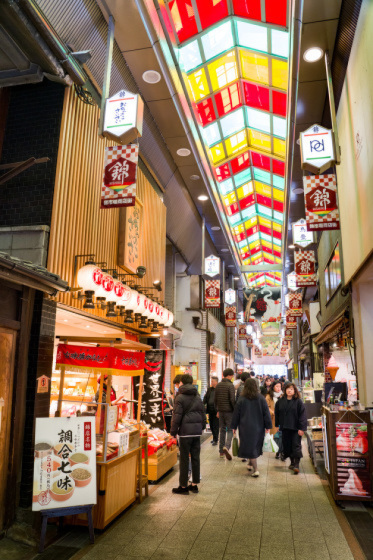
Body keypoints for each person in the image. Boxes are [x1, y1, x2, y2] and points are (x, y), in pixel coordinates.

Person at [170, 373, 206, 494]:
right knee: (196, 458)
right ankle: (194, 485)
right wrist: (202, 426)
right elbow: (202, 412)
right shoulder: (197, 396)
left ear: (181, 383)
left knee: (184, 459)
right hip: (196, 432)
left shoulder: (179, 397)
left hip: (185, 433)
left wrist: (173, 432)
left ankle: (183, 487)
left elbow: (176, 416)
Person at [231, 378, 272, 477]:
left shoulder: (242, 398)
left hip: (245, 427)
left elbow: (236, 414)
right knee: (254, 446)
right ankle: (251, 464)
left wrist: (234, 426)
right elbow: (266, 413)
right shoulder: (261, 398)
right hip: (258, 427)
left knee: (250, 446)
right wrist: (268, 426)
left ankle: (256, 469)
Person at [275, 383, 307, 474]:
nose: (289, 390)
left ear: (295, 391)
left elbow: (303, 416)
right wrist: (277, 425)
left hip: (296, 428)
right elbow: (277, 414)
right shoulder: (280, 401)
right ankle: (292, 462)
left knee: (296, 445)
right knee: (287, 445)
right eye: (288, 389)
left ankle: (296, 464)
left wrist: (302, 428)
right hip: (285, 427)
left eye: (291, 389)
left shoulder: (298, 402)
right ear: (285, 390)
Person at [214, 368, 235, 459]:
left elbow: (215, 400)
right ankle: (226, 446)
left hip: (221, 411)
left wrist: (217, 410)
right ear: (230, 376)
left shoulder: (218, 385)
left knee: (222, 430)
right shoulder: (230, 385)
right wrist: (235, 410)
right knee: (230, 429)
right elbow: (232, 399)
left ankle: (221, 452)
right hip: (229, 411)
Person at [265, 380, 283, 458]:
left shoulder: (283, 395)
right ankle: (278, 451)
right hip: (273, 418)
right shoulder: (269, 396)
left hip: (283, 417)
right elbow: (266, 407)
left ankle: (282, 451)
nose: (279, 388)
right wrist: (272, 412)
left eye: (280, 386)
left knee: (282, 434)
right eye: (277, 386)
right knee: (276, 435)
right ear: (273, 387)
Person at [203, 376, 219, 446]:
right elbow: (205, 398)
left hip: (216, 410)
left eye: (212, 381)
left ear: (216, 382)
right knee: (211, 425)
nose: (211, 382)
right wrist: (202, 404)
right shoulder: (209, 389)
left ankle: (216, 439)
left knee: (215, 425)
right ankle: (214, 438)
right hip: (210, 410)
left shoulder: (219, 389)